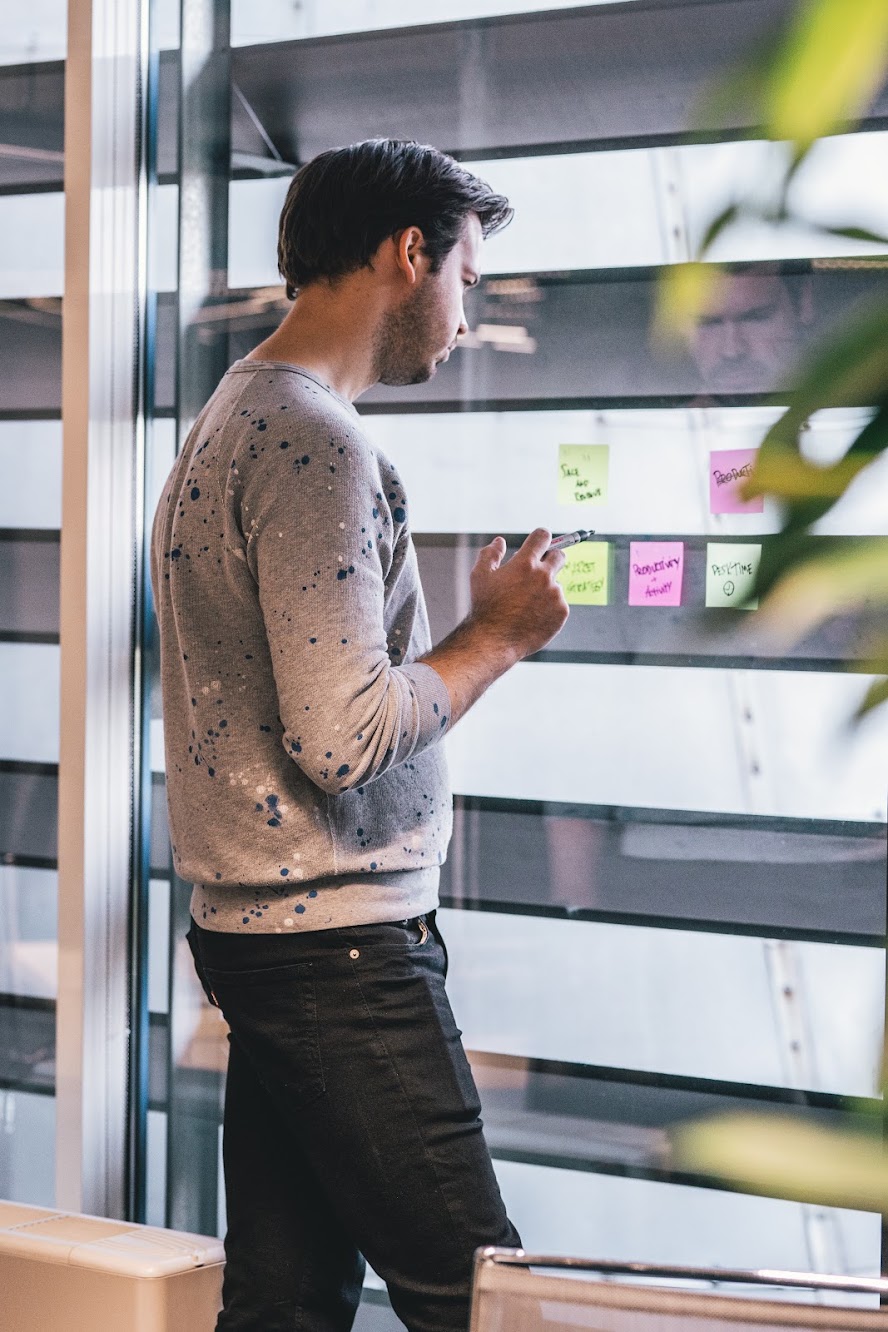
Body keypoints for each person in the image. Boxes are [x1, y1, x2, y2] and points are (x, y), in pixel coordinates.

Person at [150, 138, 570, 1332]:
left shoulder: (232, 417)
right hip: (337, 956)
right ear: (408, 254)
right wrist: (497, 636)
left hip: (271, 944)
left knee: (287, 1307)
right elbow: (341, 736)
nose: (465, 310)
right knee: (486, 1304)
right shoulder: (314, 442)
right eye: (468, 278)